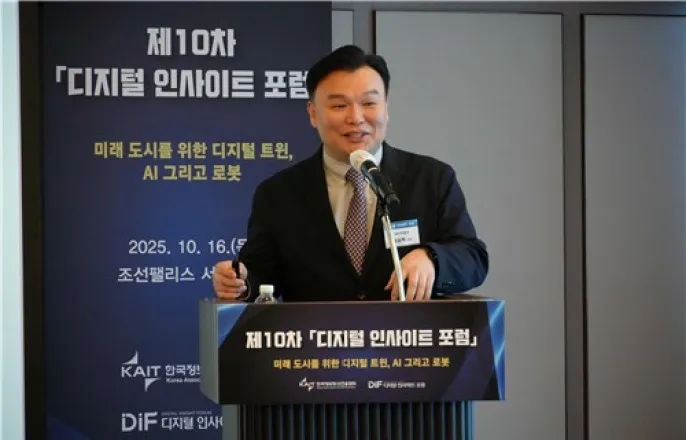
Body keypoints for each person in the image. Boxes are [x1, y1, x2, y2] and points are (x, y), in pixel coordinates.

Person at [212, 44, 488, 302]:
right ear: (313, 113)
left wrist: (432, 257)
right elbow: (261, 273)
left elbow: (473, 258)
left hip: (408, 336)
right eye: (339, 106)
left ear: (386, 108)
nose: (356, 118)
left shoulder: (431, 178)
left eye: (369, 103)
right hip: (315, 337)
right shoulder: (278, 193)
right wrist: (241, 281)